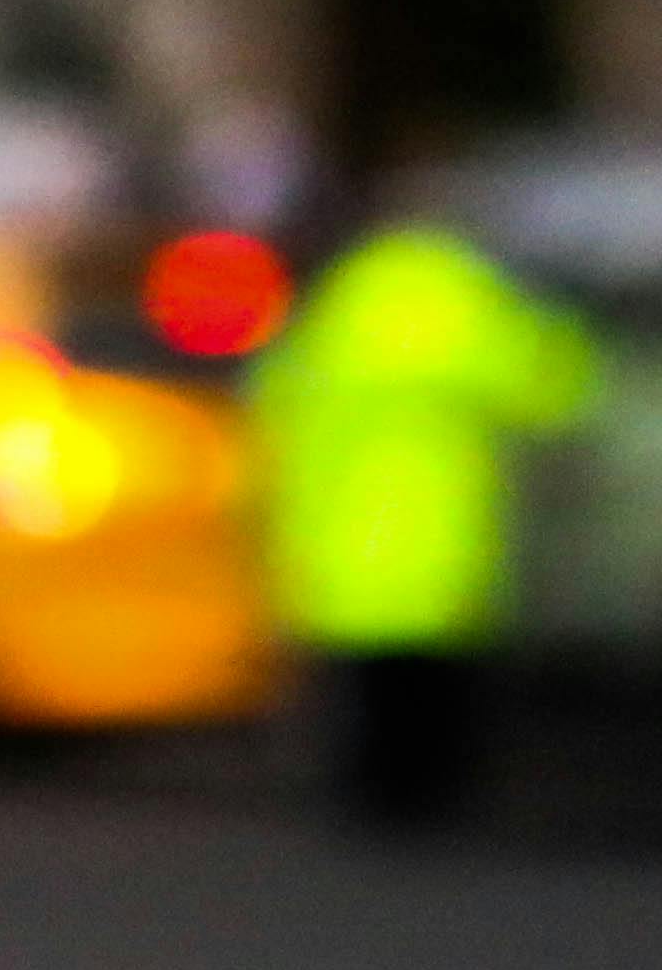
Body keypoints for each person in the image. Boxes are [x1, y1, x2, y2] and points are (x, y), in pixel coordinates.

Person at [247, 216, 601, 829]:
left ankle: (376, 799)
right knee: (439, 705)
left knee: (370, 703)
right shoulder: (466, 304)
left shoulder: (340, 308)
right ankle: (431, 800)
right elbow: (558, 393)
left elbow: (271, 408)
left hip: (345, 561)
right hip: (443, 556)